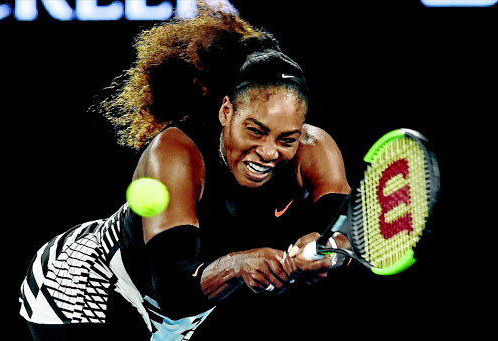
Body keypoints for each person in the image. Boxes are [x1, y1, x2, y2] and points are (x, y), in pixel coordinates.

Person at [19, 5, 351, 341]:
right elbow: (174, 291)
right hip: (89, 281)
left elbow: (342, 231)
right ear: (226, 111)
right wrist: (238, 265)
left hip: (178, 316)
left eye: (286, 139)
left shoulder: (316, 151)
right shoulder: (177, 153)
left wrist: (328, 253)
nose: (268, 151)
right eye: (254, 130)